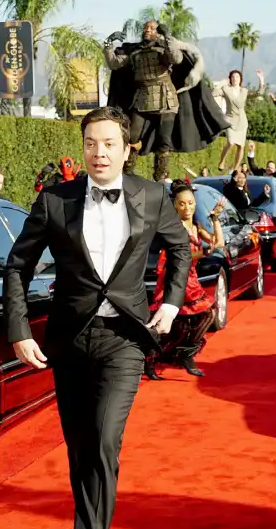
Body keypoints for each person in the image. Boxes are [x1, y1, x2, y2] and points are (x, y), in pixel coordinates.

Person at [2, 106, 191, 529]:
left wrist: (170, 302)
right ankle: (98, 523)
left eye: (109, 143)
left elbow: (180, 249)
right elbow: (17, 268)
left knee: (106, 439)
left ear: (127, 150)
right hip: (69, 341)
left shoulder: (152, 196)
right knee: (82, 448)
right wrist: (20, 331)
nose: (99, 152)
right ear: (82, 146)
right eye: (91, 143)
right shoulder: (54, 201)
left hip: (125, 339)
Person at [104, 21, 229, 181]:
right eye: (145, 27)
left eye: (151, 28)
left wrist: (168, 38)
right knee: (131, 137)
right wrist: (108, 42)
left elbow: (175, 58)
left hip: (166, 98)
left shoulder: (164, 49)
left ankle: (161, 176)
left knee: (164, 141)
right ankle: (126, 174)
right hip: (141, 97)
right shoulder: (134, 52)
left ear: (157, 32)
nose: (147, 30)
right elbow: (114, 63)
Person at [144, 180, 224, 379]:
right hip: (177, 276)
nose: (186, 207)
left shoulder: (196, 227)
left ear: (195, 203)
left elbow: (219, 243)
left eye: (190, 203)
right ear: (174, 206)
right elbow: (180, 255)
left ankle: (153, 358)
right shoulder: (174, 228)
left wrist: (214, 218)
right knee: (207, 313)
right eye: (181, 203)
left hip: (191, 277)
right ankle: (185, 355)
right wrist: (202, 253)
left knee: (180, 323)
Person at [213, 69, 264, 171]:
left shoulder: (244, 91)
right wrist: (222, 82)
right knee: (231, 142)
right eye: (233, 77)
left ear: (240, 79)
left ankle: (236, 169)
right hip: (230, 120)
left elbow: (259, 92)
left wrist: (261, 79)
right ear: (230, 79)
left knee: (241, 146)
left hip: (242, 121)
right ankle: (222, 161)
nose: (235, 78)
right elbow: (214, 92)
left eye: (237, 77)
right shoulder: (226, 89)